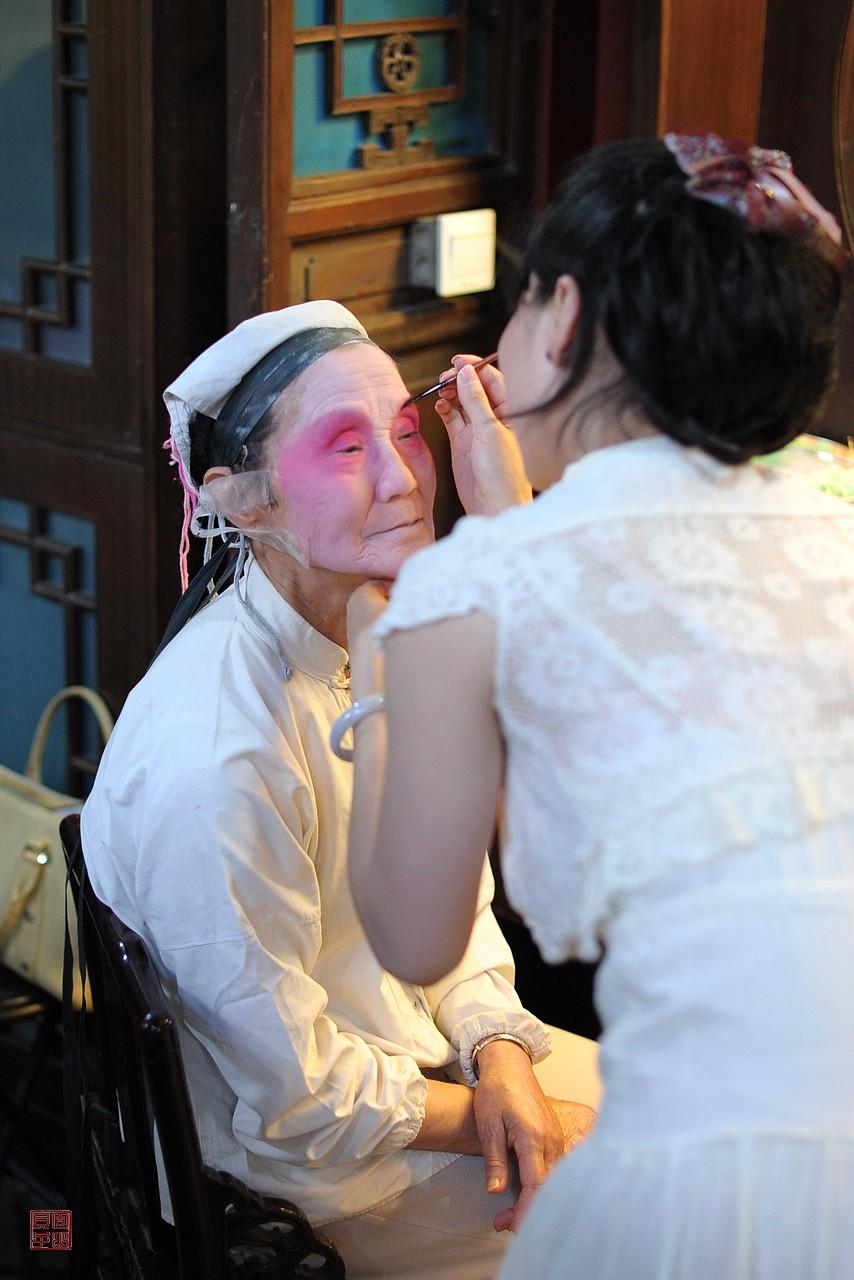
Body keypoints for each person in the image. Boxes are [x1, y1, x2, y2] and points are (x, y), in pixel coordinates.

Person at [345, 135, 854, 1279]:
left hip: (702, 1183)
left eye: (523, 300)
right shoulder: (830, 500)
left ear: (562, 313)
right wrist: (512, 516)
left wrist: (379, 674)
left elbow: (413, 935)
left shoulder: (465, 594)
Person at [80, 299, 600, 1280]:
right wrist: (493, 1115)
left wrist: (497, 1051)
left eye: (404, 431)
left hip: (416, 1066)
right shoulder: (217, 754)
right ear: (245, 501)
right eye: (347, 447)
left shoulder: (369, 638)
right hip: (314, 1175)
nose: (404, 477)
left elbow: (451, 902)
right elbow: (299, 1096)